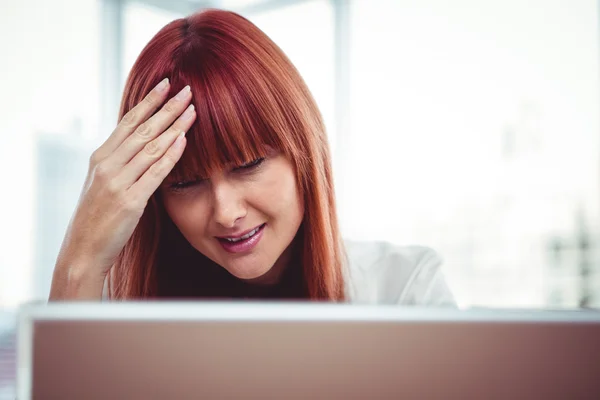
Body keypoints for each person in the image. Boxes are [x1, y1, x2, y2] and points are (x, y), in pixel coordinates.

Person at [48, 9, 455, 306]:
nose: (226, 213)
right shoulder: (104, 308)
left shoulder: (403, 291)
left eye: (248, 165)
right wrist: (78, 264)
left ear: (304, 153)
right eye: (185, 183)